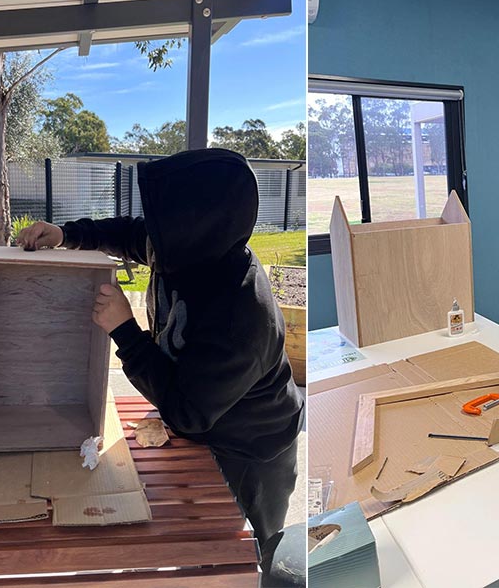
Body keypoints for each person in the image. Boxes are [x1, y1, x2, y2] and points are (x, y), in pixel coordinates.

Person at [18, 148, 305, 569]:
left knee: (243, 555)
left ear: (195, 224)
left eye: (163, 221)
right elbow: (133, 235)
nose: (151, 231)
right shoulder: (187, 246)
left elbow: (189, 411)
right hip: (204, 417)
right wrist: (67, 234)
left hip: (251, 449)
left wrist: (125, 331)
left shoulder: (241, 316)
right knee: (194, 546)